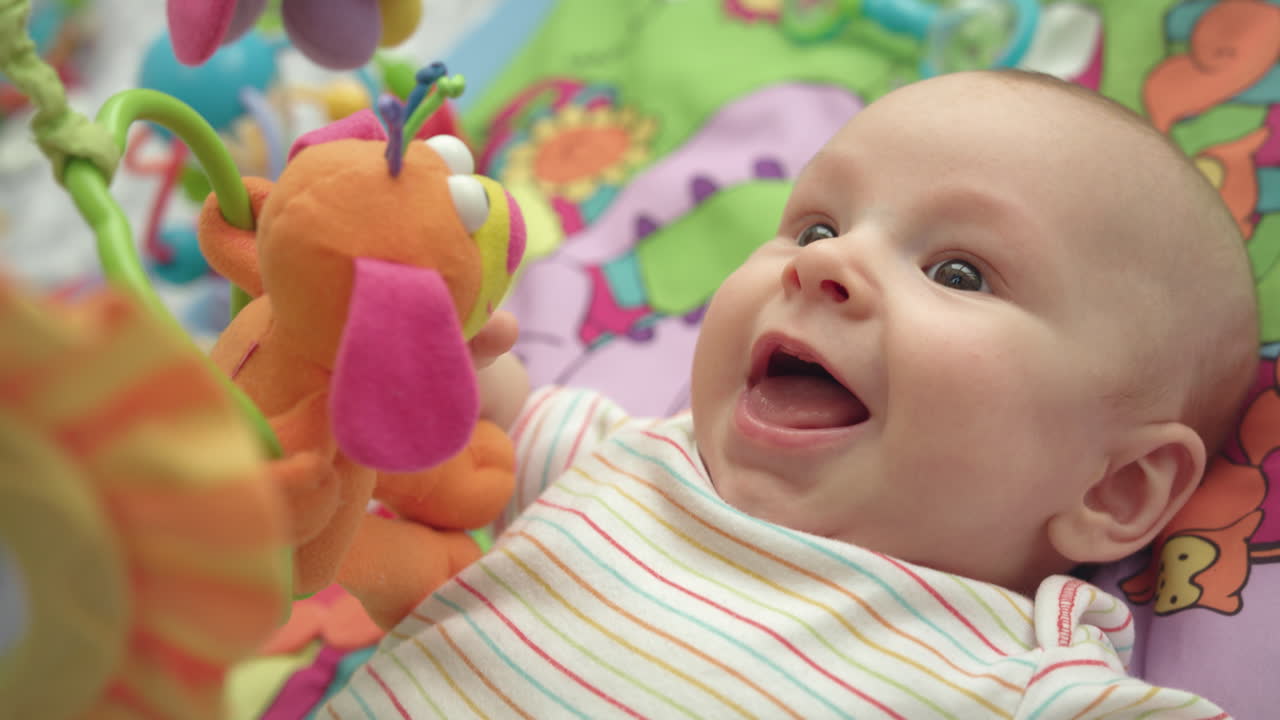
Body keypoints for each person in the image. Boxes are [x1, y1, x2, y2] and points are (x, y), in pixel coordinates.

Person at [322, 70, 1257, 718]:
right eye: (814, 226)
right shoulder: (636, 462)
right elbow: (472, 403)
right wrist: (388, 300)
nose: (828, 265)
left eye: (959, 272)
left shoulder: (1025, 681)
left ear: (1115, 489)